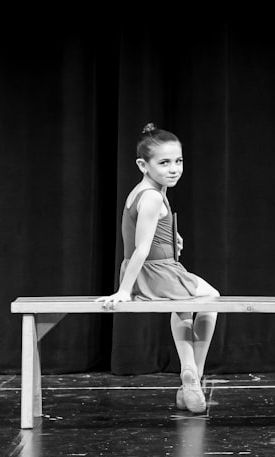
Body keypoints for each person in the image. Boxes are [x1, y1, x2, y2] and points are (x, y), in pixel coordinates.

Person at [97, 123, 220, 414]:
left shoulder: (147, 191)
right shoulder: (152, 196)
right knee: (212, 299)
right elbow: (140, 247)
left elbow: (145, 235)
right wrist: (124, 290)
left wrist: (171, 237)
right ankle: (193, 374)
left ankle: (190, 377)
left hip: (151, 269)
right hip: (154, 272)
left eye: (178, 161)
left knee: (187, 305)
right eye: (164, 162)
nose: (174, 168)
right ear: (143, 164)